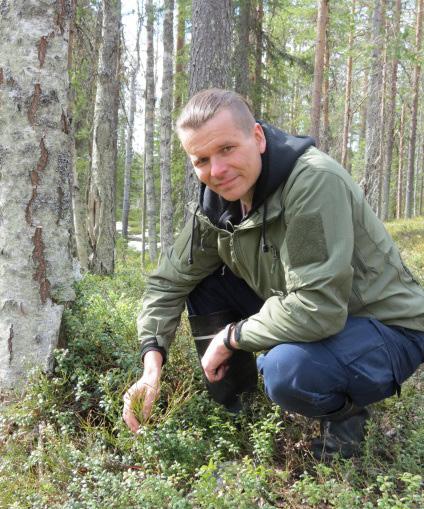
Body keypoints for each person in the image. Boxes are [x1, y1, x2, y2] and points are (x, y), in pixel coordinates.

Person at [123, 88, 424, 460]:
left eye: (227, 149)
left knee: (287, 370)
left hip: (387, 326)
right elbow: (169, 281)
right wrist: (151, 366)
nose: (216, 171)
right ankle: (240, 413)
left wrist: (230, 337)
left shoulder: (312, 182)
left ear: (258, 138)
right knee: (205, 283)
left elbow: (318, 307)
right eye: (201, 159)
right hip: (313, 313)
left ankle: (345, 420)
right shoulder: (217, 205)